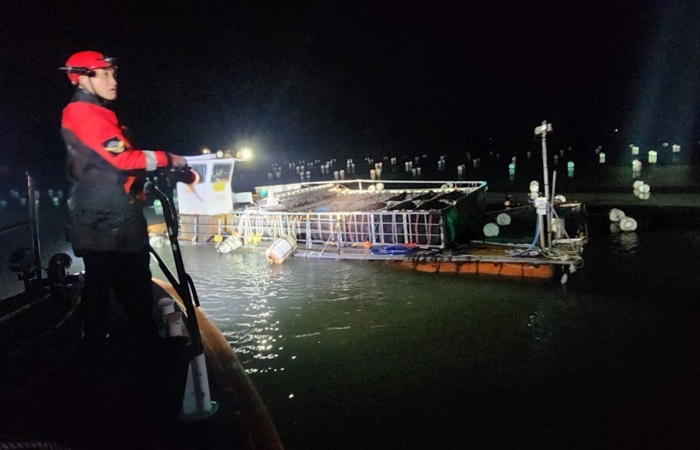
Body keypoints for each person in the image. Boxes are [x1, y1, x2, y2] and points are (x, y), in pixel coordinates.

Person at [59, 50, 187, 348]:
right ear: (82, 78)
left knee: (100, 283)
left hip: (97, 214)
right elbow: (122, 159)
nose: (113, 80)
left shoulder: (86, 111)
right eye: (104, 74)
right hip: (110, 219)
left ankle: (92, 343)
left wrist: (139, 183)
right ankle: (148, 350)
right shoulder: (86, 113)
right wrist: (169, 159)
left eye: (113, 73)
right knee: (133, 286)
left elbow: (102, 165)